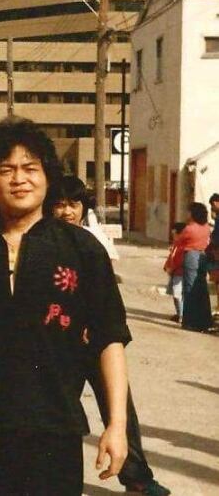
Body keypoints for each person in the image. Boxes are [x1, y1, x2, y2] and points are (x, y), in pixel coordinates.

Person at [0, 118, 131, 496]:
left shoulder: (82, 249)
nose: (19, 179)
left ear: (48, 176)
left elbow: (108, 340)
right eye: (6, 169)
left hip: (54, 432)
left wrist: (117, 425)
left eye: (31, 168)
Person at [52, 175, 171, 496]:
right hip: (57, 345)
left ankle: (138, 479)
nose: (66, 212)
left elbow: (106, 295)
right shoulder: (42, 245)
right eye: (59, 204)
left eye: (73, 204)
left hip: (95, 344)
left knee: (119, 411)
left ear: (83, 207)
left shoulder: (93, 244)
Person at [178, 202, 213, 331]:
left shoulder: (189, 228)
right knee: (201, 288)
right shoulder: (206, 227)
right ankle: (204, 320)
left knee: (189, 288)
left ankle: (190, 321)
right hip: (203, 256)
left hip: (191, 256)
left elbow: (178, 241)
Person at [164, 222, 187, 323]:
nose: (173, 236)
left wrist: (171, 268)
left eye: (174, 234)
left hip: (179, 272)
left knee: (177, 294)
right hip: (175, 272)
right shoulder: (176, 245)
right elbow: (171, 258)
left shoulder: (182, 246)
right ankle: (179, 313)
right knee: (176, 293)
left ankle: (181, 315)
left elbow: (178, 260)